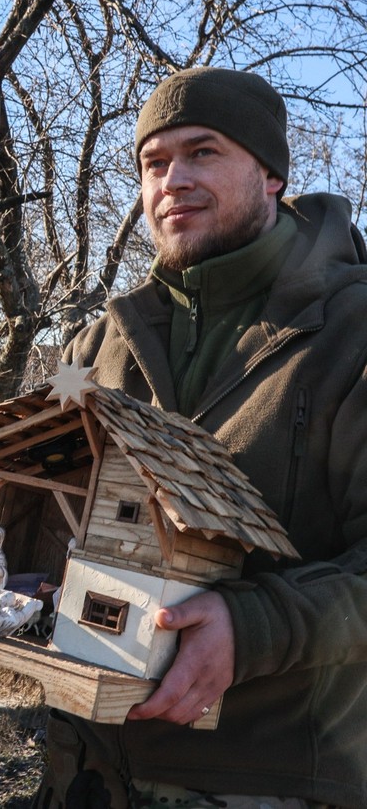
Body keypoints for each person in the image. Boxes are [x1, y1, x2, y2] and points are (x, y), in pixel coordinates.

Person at [36, 66, 367, 808]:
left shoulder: (351, 333)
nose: (172, 180)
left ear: (272, 174)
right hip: (85, 771)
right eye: (154, 163)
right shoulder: (99, 348)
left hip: (266, 779)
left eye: (203, 151)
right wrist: (4, 590)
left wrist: (250, 627)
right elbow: (55, 513)